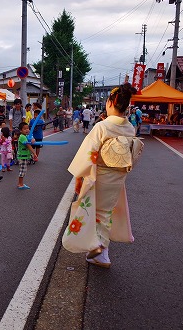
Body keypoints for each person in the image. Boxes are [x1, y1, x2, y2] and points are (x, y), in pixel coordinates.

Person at [64, 83, 140, 268]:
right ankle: (102, 252)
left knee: (90, 209)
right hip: (118, 175)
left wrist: (80, 177)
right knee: (106, 212)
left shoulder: (102, 127)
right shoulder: (129, 128)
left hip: (100, 175)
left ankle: (96, 245)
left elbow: (88, 154)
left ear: (111, 102)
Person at [17, 122, 37, 189]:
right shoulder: (22, 137)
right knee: (22, 171)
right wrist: (34, 153)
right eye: (25, 129)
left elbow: (31, 138)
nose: (27, 130)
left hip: (24, 156)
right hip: (22, 157)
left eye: (28, 128)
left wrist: (33, 140)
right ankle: (20, 184)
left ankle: (21, 183)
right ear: (21, 130)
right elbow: (28, 145)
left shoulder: (25, 136)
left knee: (23, 170)